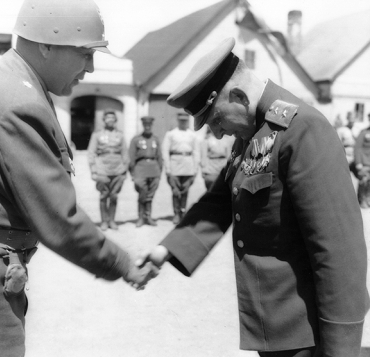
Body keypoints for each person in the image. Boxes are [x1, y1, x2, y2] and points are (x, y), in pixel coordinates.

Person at [138, 38, 369, 356]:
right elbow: (219, 200)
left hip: (307, 333)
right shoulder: (253, 132)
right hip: (275, 328)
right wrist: (165, 250)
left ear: (238, 96)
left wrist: (341, 347)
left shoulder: (303, 130)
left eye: (216, 119)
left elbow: (339, 252)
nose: (217, 134)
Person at [0, 1, 155, 355]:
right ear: (45, 46)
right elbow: (58, 217)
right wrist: (122, 263)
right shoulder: (20, 103)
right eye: (83, 54)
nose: (90, 68)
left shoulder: (1, 77)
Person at [88, 109, 129, 231]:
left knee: (114, 196)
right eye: (107, 118)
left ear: (115, 121)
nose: (110, 120)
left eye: (112, 118)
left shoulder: (120, 135)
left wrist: (124, 171)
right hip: (102, 169)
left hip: (118, 169)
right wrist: (93, 170)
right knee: (103, 195)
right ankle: (104, 221)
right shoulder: (97, 135)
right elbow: (91, 153)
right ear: (104, 120)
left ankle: (112, 220)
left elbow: (125, 153)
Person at [162, 112, 200, 224]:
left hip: (188, 165)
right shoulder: (171, 134)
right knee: (175, 191)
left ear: (188, 121)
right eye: (181, 120)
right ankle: (176, 214)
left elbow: (196, 152)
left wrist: (195, 169)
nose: (183, 122)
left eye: (185, 120)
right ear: (178, 121)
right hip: (175, 164)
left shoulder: (192, 135)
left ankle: (183, 212)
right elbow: (165, 152)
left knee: (185, 190)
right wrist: (168, 169)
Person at [128, 116, 163, 227]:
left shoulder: (155, 139)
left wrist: (159, 172)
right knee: (142, 192)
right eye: (145, 125)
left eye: (149, 125)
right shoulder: (136, 139)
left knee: (150, 195)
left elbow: (159, 157)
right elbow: (131, 157)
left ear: (151, 126)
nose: (147, 127)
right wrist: (132, 173)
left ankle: (148, 217)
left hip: (154, 169)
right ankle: (140, 218)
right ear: (143, 126)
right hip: (140, 168)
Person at [200, 125, 232, 190]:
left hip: (222, 167)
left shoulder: (226, 140)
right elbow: (203, 156)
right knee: (211, 188)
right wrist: (204, 170)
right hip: (211, 168)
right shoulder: (207, 140)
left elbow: (229, 156)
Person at [354, 123, 370, 208]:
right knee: (364, 181)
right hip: (364, 163)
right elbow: (357, 148)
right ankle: (361, 200)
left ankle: (368, 199)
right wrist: (358, 162)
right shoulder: (364, 133)